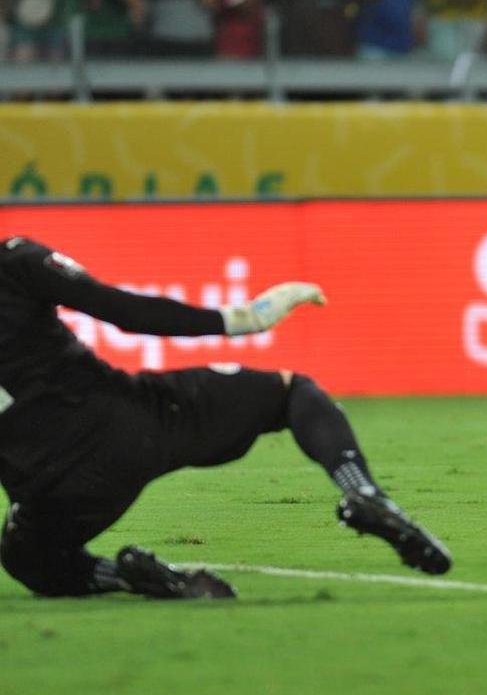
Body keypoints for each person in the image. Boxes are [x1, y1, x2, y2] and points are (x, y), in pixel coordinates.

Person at [0, 235, 451, 599]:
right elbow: (124, 312)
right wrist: (243, 319)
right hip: (129, 425)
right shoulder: (15, 260)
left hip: (55, 486)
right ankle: (363, 492)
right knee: (291, 391)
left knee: (26, 553)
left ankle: (125, 577)